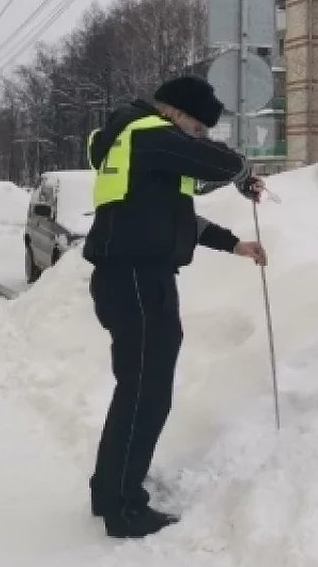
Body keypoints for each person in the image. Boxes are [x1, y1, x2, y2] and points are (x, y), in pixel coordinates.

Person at [82, 75, 268, 538]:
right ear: (177, 113)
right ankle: (125, 509)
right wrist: (243, 172)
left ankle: (109, 490)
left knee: (136, 390)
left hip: (129, 278)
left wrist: (233, 244)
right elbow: (216, 161)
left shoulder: (135, 142)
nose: (199, 136)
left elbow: (173, 215)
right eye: (198, 127)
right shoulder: (149, 134)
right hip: (139, 281)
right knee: (147, 394)